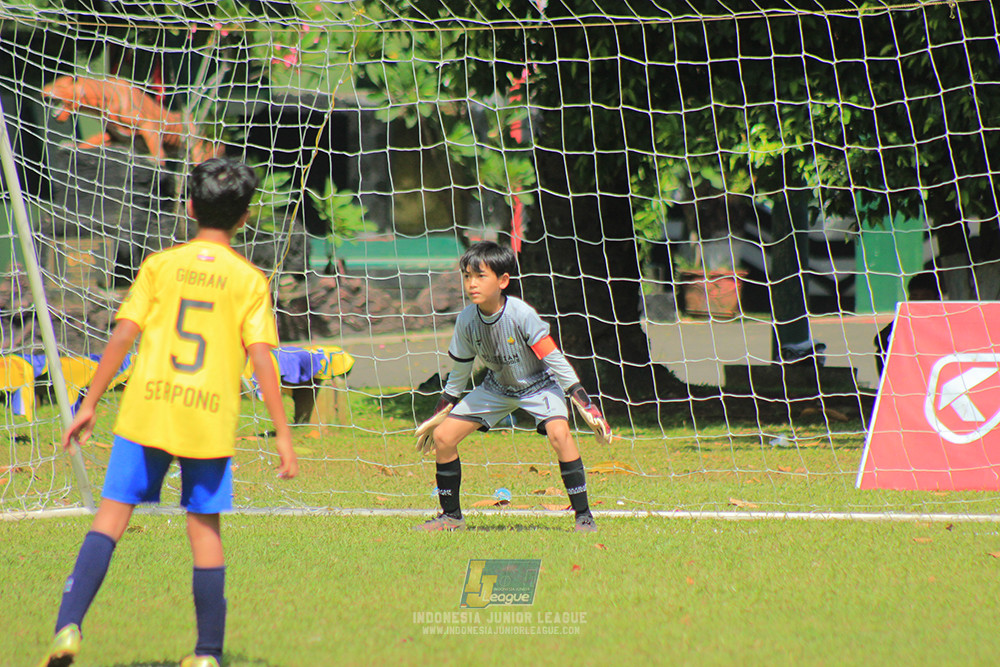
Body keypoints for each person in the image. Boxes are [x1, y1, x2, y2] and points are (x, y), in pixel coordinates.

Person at [37, 158, 298, 667]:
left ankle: (68, 628)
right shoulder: (249, 280)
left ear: (189, 207)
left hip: (148, 410)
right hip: (208, 419)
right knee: (204, 528)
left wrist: (89, 402)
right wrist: (283, 435)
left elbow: (123, 335)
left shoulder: (159, 266)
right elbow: (263, 358)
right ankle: (205, 655)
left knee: (110, 519)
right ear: (245, 218)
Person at [413, 241, 611, 533]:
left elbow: (554, 359)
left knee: (559, 434)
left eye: (481, 276)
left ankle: (583, 515)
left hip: (540, 385)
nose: (472, 283)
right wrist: (440, 412)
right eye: (467, 276)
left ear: (503, 281)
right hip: (497, 388)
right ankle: (451, 516)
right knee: (443, 437)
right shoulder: (467, 320)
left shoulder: (521, 314)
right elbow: (459, 375)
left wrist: (582, 400)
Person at [874, 271, 942, 375]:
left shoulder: (944, 318)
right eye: (915, 296)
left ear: (936, 299)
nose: (919, 301)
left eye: (925, 296)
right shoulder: (906, 317)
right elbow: (879, 339)